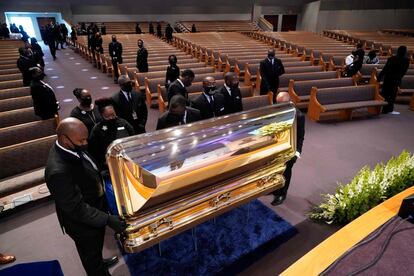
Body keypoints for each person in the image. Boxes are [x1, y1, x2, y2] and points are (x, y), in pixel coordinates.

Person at [45, 117, 127, 276]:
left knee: (95, 249)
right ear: (64, 139)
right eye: (81, 140)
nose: (85, 143)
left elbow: (87, 169)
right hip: (82, 224)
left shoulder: (73, 147)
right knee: (90, 256)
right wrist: (107, 219)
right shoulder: (58, 172)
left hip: (94, 209)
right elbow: (77, 209)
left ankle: (99, 262)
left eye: (86, 138)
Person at [271, 92, 305, 206]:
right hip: (277, 146)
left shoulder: (298, 116)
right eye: (277, 103)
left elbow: (300, 136)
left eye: (280, 104)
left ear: (289, 102)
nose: (278, 106)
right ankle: (274, 188)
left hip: (289, 149)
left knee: (286, 171)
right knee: (275, 169)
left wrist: (297, 153)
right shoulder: (277, 111)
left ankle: (282, 193)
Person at [88, 98, 134, 171]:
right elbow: (94, 150)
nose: (111, 118)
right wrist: (104, 162)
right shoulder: (97, 129)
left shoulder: (123, 123)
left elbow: (133, 137)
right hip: (109, 166)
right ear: (102, 115)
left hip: (128, 160)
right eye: (107, 116)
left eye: (113, 115)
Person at [378, 46, 410, 115]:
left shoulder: (391, 58)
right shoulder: (406, 60)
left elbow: (385, 69)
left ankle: (382, 108)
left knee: (385, 93)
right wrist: (399, 79)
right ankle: (389, 110)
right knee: (392, 96)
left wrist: (379, 77)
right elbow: (404, 72)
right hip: (396, 80)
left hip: (388, 78)